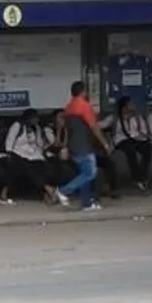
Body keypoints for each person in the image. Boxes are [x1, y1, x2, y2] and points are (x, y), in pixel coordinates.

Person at [52, 82, 112, 211]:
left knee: (84, 174)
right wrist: (105, 143)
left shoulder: (68, 107)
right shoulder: (84, 106)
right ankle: (63, 191)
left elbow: (67, 128)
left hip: (74, 147)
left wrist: (66, 147)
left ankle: (87, 203)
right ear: (83, 91)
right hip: (84, 146)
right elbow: (94, 127)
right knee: (90, 173)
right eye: (87, 91)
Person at [4, 109, 57, 202]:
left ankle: (44, 193)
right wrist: (8, 153)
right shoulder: (18, 125)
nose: (36, 120)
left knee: (43, 167)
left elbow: (39, 144)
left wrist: (43, 154)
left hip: (32, 154)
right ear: (28, 118)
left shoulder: (36, 128)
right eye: (34, 118)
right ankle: (47, 189)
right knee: (30, 169)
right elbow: (10, 139)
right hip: (17, 154)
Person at [104, 96, 152, 192]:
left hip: (137, 139)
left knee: (148, 148)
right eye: (130, 104)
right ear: (124, 107)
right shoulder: (114, 118)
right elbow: (101, 125)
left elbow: (143, 130)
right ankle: (137, 177)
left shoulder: (137, 117)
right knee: (130, 149)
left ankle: (142, 175)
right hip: (121, 140)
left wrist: (145, 137)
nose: (133, 106)